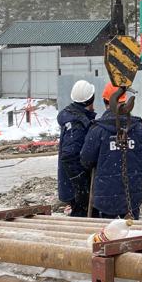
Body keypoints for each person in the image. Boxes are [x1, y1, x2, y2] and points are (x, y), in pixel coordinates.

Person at [80, 83, 142, 219]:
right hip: (132, 195)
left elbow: (86, 160)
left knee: (109, 234)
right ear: (124, 100)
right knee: (132, 230)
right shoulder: (139, 129)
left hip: (105, 196)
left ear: (105, 101)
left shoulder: (98, 130)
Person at [57, 80, 97, 217]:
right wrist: (81, 186)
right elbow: (69, 155)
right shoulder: (77, 124)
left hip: (71, 185)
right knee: (83, 218)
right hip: (76, 188)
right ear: (91, 99)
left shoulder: (72, 117)